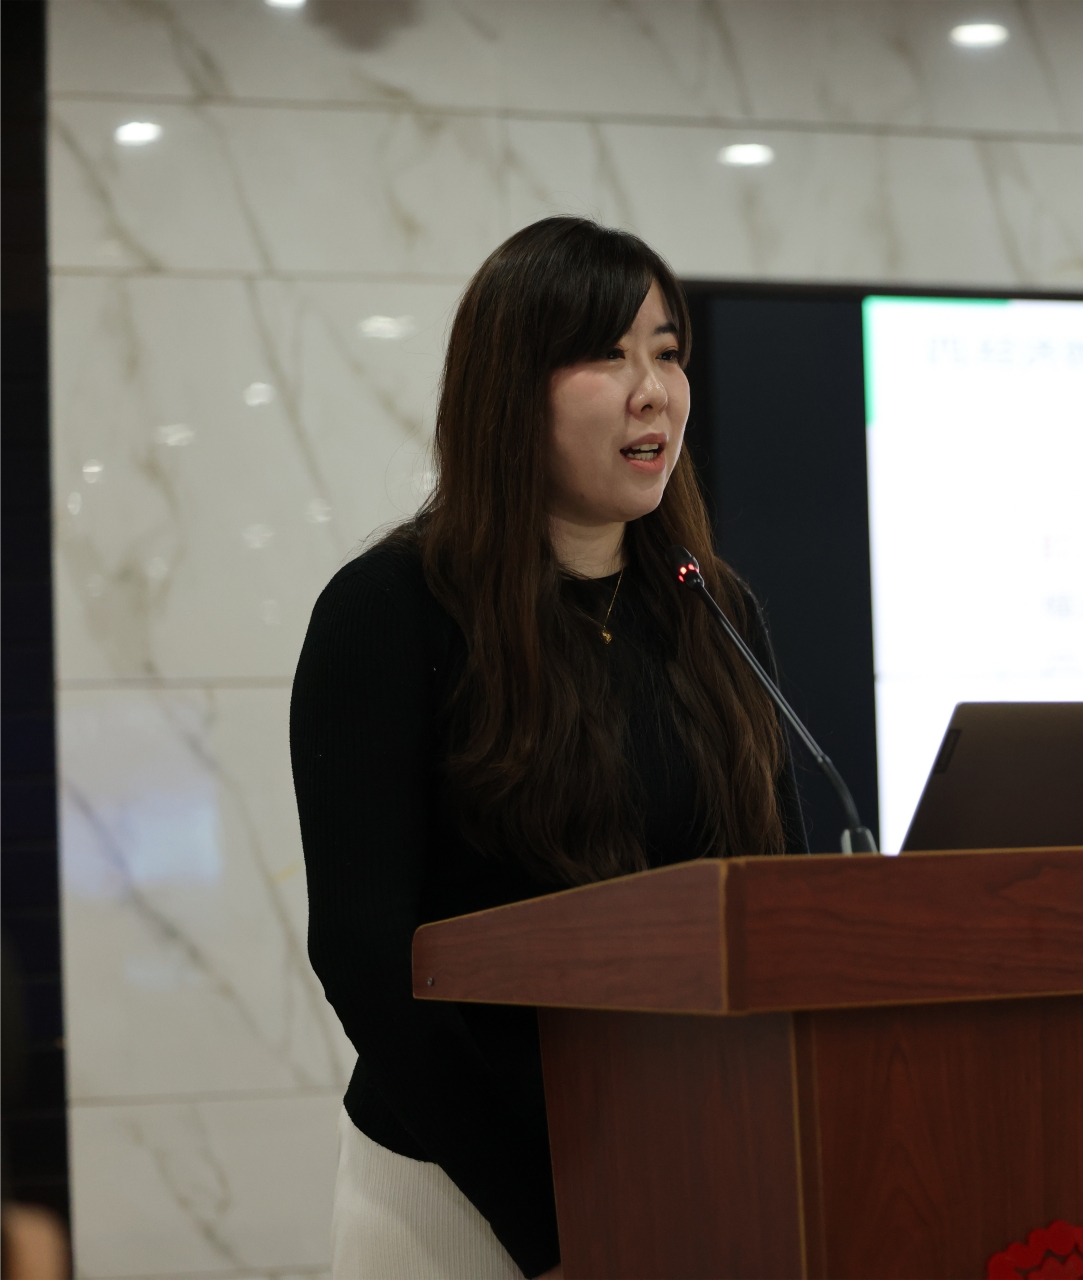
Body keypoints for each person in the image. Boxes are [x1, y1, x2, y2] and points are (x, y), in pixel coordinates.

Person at [291, 217, 806, 1279]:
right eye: (607, 355)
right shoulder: (390, 612)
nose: (652, 391)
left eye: (667, 351)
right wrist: (551, 1226)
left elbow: (783, 900)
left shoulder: (713, 613)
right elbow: (364, 956)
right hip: (460, 1189)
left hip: (689, 1158)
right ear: (511, 389)